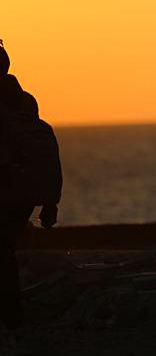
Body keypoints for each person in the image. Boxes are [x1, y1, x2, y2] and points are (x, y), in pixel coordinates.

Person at [0, 41, 59, 330]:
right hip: (23, 192)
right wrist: (49, 202)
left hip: (8, 185)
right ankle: (13, 320)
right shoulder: (26, 101)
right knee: (5, 252)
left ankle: (12, 321)